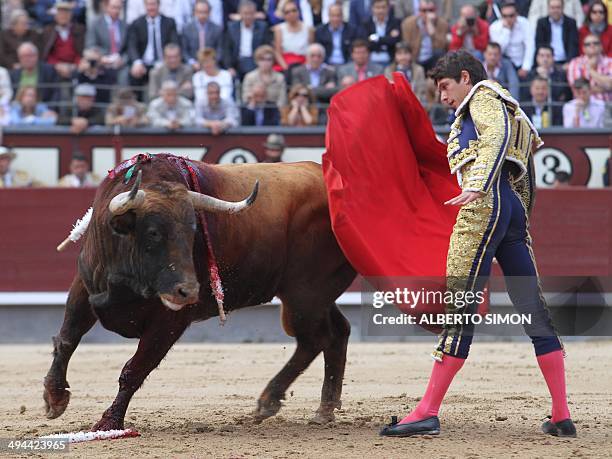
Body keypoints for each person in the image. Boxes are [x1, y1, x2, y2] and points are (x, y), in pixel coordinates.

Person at [378, 51, 575, 439]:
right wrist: (519, 217)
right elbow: (525, 163)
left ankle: (427, 411)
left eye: (445, 86)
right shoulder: (505, 103)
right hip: (509, 208)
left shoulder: (484, 96)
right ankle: (560, 413)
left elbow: (496, 138)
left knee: (460, 305)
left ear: (464, 78)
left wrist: (478, 185)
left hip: (486, 205)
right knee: (533, 310)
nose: (442, 96)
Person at [126, 0, 179, 91]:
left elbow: (174, 43)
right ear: (145, 6)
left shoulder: (169, 22)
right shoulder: (137, 23)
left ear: (159, 5)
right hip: (144, 63)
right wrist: (137, 62)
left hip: (164, 62)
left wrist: (167, 60)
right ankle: (138, 103)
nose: (151, 7)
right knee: (134, 73)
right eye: (148, 5)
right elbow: (132, 45)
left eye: (153, 4)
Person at [223, 0, 271, 80]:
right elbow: (227, 49)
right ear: (240, 14)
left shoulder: (263, 27)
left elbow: (265, 48)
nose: (248, 16)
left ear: (255, 14)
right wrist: (229, 67)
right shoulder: (231, 28)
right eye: (245, 13)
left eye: (251, 13)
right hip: (237, 62)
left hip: (256, 62)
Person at [489, 1, 535, 79]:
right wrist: (507, 31)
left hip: (521, 60)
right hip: (505, 62)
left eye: (511, 15)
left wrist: (525, 67)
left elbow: (530, 46)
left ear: (516, 14)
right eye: (505, 16)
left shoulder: (525, 23)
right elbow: (498, 50)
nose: (508, 19)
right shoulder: (494, 27)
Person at [41, 2, 86, 81]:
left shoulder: (80, 30)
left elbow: (81, 50)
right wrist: (57, 65)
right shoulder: (48, 31)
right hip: (55, 68)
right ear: (55, 16)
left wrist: (75, 65)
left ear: (70, 15)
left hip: (75, 67)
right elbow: (47, 54)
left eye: (66, 13)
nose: (63, 16)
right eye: (60, 14)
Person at [401, 0, 449, 72]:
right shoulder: (408, 23)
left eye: (430, 10)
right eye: (423, 10)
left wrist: (432, 31)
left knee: (438, 52)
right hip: (415, 59)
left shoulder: (442, 23)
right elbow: (407, 46)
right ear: (419, 11)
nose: (427, 13)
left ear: (435, 10)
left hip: (432, 59)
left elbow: (442, 47)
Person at [85, 0, 128, 78]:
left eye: (119, 8)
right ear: (106, 7)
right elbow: (91, 45)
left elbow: (128, 48)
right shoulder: (96, 24)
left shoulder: (125, 26)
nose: (116, 11)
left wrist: (122, 60)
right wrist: (102, 57)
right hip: (101, 63)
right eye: (114, 7)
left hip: (120, 64)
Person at [566, 33, 612, 101]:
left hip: (607, 105)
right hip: (582, 104)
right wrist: (605, 88)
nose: (592, 45)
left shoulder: (609, 62)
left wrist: (590, 70)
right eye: (588, 44)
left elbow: (610, 84)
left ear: (601, 46)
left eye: (595, 43)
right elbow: (577, 88)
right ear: (583, 48)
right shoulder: (575, 63)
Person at [182, 0, 224, 70]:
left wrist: (211, 63)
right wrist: (193, 63)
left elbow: (220, 50)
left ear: (210, 13)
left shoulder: (217, 29)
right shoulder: (187, 29)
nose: (202, 15)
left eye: (205, 12)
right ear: (194, 12)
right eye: (200, 12)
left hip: (212, 65)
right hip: (193, 65)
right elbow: (184, 51)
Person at [535, 0, 579, 66]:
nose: (555, 10)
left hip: (566, 62)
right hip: (547, 61)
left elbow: (573, 45)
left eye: (558, 7)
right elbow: (540, 44)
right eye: (552, 8)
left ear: (563, 8)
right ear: (548, 8)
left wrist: (569, 62)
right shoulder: (542, 23)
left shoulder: (571, 22)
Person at [273, 0, 314, 71]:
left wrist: (305, 67)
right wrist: (286, 68)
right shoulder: (278, 29)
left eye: (294, 10)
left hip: (303, 64)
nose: (291, 14)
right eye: (287, 12)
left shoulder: (309, 29)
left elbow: (311, 51)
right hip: (286, 64)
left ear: (299, 12)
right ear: (284, 15)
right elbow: (278, 52)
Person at [361, 0, 402, 68]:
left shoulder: (395, 22)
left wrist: (376, 38)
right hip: (371, 60)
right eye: (377, 7)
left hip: (391, 60)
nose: (380, 10)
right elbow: (366, 42)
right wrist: (387, 38)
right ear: (372, 8)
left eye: (383, 7)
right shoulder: (366, 23)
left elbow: (395, 40)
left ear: (388, 8)